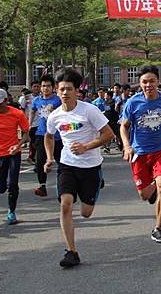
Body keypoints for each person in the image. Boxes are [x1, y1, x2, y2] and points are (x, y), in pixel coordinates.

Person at [44, 68, 114, 267]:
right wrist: (49, 158)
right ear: (57, 92)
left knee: (86, 213)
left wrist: (86, 146)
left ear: (76, 91)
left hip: (91, 165)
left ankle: (98, 183)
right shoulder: (55, 116)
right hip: (67, 165)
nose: (65, 93)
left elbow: (109, 135)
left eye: (69, 89)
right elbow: (49, 136)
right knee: (65, 204)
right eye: (61, 89)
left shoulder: (89, 110)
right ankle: (71, 252)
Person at [121, 65, 161, 244]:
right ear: (140, 84)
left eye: (152, 81)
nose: (148, 85)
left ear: (158, 82)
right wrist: (126, 146)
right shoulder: (133, 102)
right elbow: (124, 126)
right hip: (139, 153)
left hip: (160, 150)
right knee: (145, 195)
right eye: (144, 82)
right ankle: (153, 186)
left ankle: (159, 228)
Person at [0, 89, 30, 225]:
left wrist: (18, 144)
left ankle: (11, 211)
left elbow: (26, 133)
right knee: (0, 188)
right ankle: (7, 199)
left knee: (12, 184)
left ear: (6, 101)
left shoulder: (17, 114)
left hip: (13, 153)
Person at [30, 75, 62, 197]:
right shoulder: (36, 100)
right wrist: (29, 124)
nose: (45, 88)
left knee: (61, 161)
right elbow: (32, 111)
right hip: (41, 134)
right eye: (43, 86)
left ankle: (63, 185)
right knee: (39, 162)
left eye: (48, 86)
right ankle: (42, 186)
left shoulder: (58, 100)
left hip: (57, 135)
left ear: (53, 87)